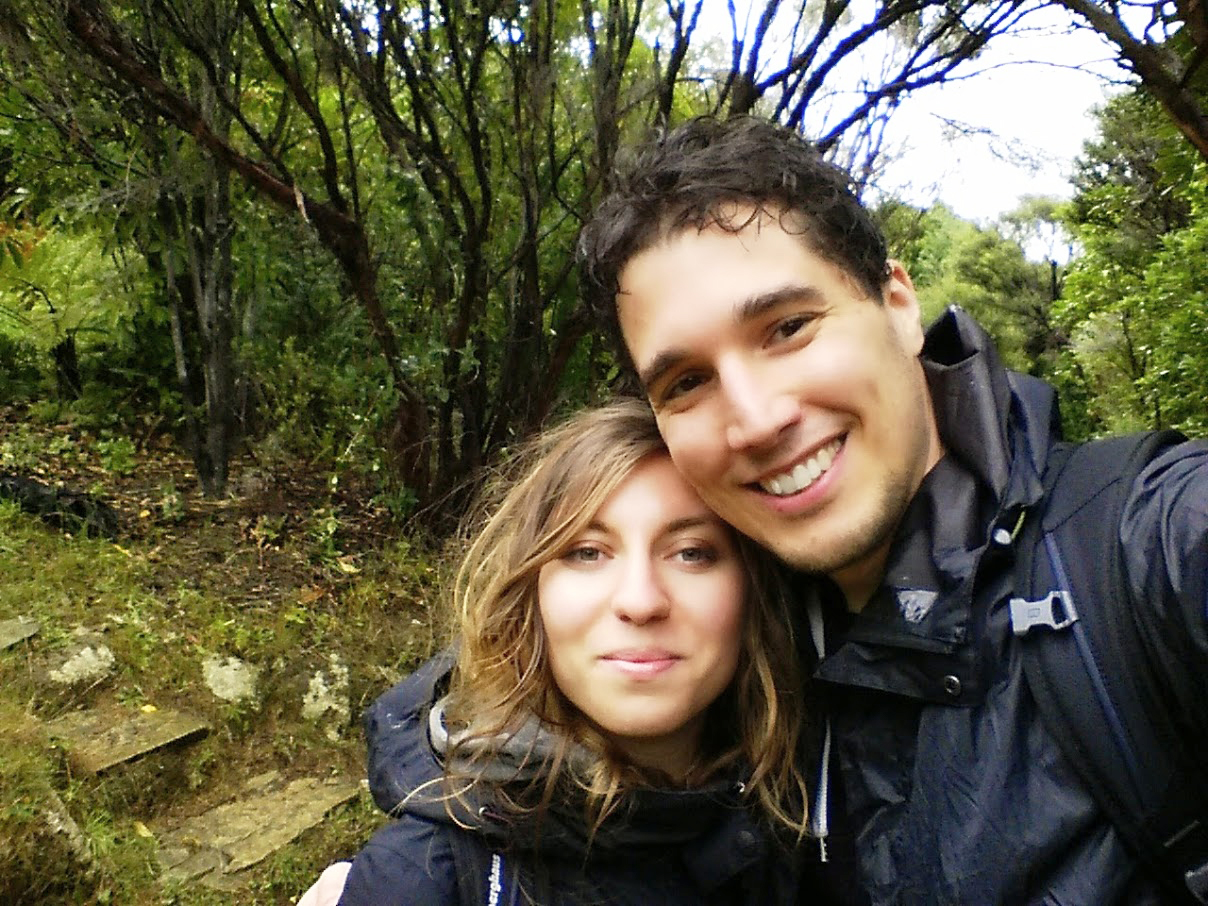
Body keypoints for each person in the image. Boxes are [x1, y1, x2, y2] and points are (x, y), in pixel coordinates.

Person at [577, 116, 1208, 904]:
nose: (756, 418)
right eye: (686, 383)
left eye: (788, 328)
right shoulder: (734, 643)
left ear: (899, 304)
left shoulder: (1147, 546)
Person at [328, 398, 810, 906]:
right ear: (529, 595)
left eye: (692, 553)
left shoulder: (816, 821)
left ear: (755, 592)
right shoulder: (423, 875)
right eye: (587, 553)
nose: (641, 601)